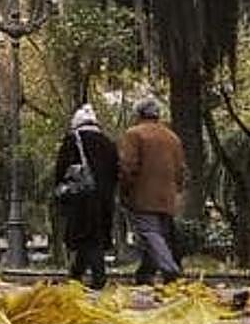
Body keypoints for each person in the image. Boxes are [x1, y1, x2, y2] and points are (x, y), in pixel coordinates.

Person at [119, 96, 186, 284]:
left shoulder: (134, 134)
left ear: (139, 114)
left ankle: (170, 268)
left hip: (143, 194)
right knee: (157, 235)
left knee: (149, 234)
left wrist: (124, 190)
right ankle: (144, 274)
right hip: (168, 196)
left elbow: (128, 166)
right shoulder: (172, 137)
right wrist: (177, 190)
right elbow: (181, 169)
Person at [54, 103, 119, 289]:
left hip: (79, 199)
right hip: (104, 200)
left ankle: (98, 277)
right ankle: (76, 274)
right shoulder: (108, 143)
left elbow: (60, 171)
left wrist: (61, 193)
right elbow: (116, 172)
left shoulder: (72, 140)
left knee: (87, 237)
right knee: (94, 236)